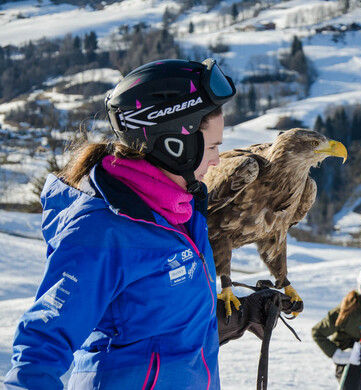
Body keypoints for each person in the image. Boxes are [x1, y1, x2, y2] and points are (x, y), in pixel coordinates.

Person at [4, 58, 296, 390]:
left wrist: (239, 316)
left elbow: (155, 324)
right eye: (213, 146)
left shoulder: (183, 211)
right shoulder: (103, 230)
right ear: (175, 145)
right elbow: (39, 350)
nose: (217, 159)